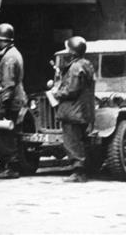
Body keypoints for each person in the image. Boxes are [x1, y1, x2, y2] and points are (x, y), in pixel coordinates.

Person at [52, 36, 95, 183]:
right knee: (80, 141)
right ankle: (82, 170)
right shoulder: (87, 64)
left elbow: (71, 90)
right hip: (82, 111)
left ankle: (78, 172)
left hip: (73, 111)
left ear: (72, 52)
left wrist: (56, 93)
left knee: (72, 142)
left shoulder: (75, 67)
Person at [0, 22, 27, 179]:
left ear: (0, 40)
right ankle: (2, 164)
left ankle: (12, 167)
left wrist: (3, 106)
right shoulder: (10, 53)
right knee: (3, 134)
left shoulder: (9, 57)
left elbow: (8, 83)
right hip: (12, 98)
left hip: (10, 101)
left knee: (7, 135)